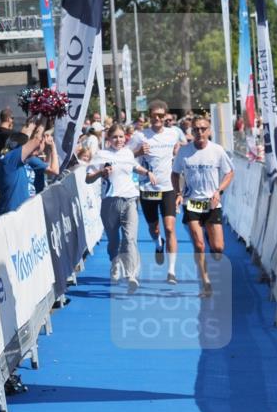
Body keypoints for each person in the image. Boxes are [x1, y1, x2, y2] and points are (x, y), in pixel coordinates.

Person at [86, 123, 157, 293]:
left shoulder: (127, 153)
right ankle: (115, 262)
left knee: (129, 238)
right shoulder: (101, 155)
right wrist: (101, 173)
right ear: (109, 139)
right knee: (114, 241)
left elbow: (134, 166)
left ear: (125, 137)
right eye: (115, 137)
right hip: (110, 202)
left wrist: (147, 173)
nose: (118, 140)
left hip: (130, 199)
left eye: (121, 136)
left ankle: (131, 275)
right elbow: (88, 178)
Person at [172, 117, 235, 297]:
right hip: (191, 203)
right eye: (196, 129)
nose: (200, 132)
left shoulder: (217, 150)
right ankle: (205, 282)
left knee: (218, 248)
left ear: (209, 131)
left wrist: (219, 191)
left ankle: (210, 238)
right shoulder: (184, 151)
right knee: (199, 245)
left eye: (203, 128)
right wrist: (178, 193)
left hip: (212, 203)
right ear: (191, 131)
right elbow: (175, 174)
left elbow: (230, 172)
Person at [131, 99, 185, 283]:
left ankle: (171, 271)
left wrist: (178, 151)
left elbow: (182, 147)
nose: (158, 119)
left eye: (161, 116)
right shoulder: (140, 136)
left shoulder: (173, 134)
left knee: (170, 228)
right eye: (154, 115)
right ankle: (158, 243)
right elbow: (125, 156)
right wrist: (138, 152)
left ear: (166, 116)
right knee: (154, 228)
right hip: (148, 188)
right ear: (149, 116)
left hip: (168, 188)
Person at [0, 120, 48, 216]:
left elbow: (24, 136)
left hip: (16, 214)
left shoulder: (5, 158)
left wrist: (35, 117)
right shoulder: (10, 159)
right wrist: (45, 117)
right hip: (12, 215)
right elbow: (36, 140)